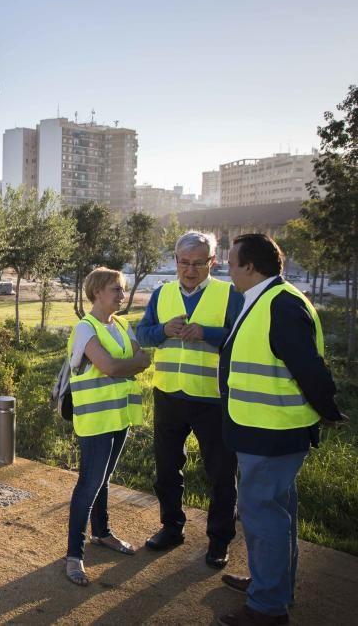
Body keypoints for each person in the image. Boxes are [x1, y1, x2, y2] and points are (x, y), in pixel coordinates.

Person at [216, 234, 346, 626]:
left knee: (263, 518)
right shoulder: (268, 298)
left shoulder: (281, 304)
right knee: (277, 514)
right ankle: (273, 586)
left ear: (250, 268)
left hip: (270, 432)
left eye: (232, 263)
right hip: (266, 430)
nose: (228, 269)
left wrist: (329, 411)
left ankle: (267, 606)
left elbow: (309, 369)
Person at [136, 231, 244, 569]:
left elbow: (242, 338)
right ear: (175, 261)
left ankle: (218, 541)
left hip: (213, 400)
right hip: (168, 394)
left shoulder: (230, 295)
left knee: (222, 474)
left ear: (213, 261)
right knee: (167, 469)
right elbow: (142, 333)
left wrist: (208, 334)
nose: (190, 270)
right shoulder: (162, 293)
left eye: (198, 263)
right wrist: (163, 331)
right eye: (184, 262)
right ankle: (171, 528)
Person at [64, 267, 151, 586]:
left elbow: (144, 359)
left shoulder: (123, 324)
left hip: (119, 416)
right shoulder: (85, 329)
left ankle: (102, 534)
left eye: (123, 289)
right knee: (88, 484)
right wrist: (133, 364)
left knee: (104, 480)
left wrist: (131, 364)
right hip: (96, 420)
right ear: (98, 291)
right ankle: (74, 555)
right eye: (116, 288)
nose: (122, 294)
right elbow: (113, 365)